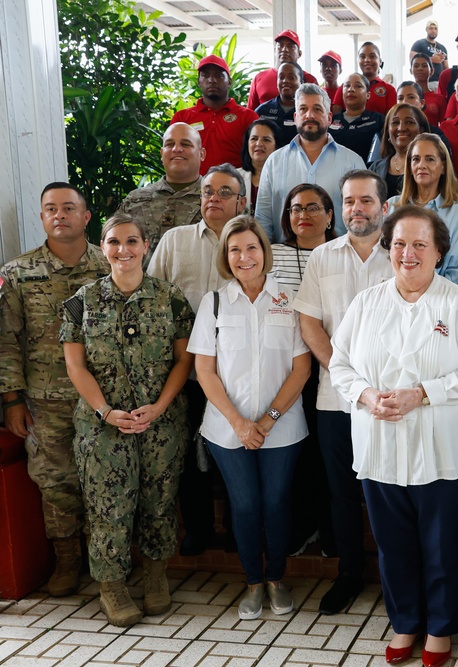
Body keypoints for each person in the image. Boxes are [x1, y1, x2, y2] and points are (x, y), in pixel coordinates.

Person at [329, 205, 458, 667]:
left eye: (420, 244)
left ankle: (439, 630)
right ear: (388, 249)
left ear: (439, 251)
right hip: (379, 445)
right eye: (400, 243)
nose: (409, 253)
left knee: (441, 545)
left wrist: (424, 394)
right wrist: (364, 395)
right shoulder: (366, 303)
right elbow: (339, 364)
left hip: (442, 449)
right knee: (393, 543)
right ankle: (405, 623)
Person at [61, 213, 194, 626]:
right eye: (114, 242)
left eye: (132, 241)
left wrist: (159, 407)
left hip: (160, 423)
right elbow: (75, 366)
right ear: (103, 248)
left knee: (159, 499)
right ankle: (112, 586)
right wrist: (105, 411)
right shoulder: (80, 302)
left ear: (146, 246)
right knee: (108, 507)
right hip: (103, 427)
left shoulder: (170, 298)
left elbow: (183, 360)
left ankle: (155, 576)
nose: (124, 250)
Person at [187, 215, 309, 620]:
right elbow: (204, 370)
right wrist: (240, 424)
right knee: (245, 506)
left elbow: (302, 368)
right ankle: (253, 582)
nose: (244, 256)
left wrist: (269, 419)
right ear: (225, 256)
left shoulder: (289, 300)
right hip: (227, 430)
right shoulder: (214, 302)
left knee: (276, 503)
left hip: (283, 427)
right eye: (235, 249)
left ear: (264, 252)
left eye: (251, 248)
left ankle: (277, 578)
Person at [292, 170, 395, 615]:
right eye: (349, 201)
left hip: (389, 399)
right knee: (341, 492)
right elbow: (309, 322)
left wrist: (374, 385)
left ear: (383, 207)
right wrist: (343, 372)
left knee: (391, 488)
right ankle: (349, 573)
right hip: (335, 397)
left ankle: (397, 578)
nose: (358, 209)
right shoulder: (322, 258)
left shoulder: (401, 256)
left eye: (366, 201)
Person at [0, 183, 108, 598]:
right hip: (46, 403)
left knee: (104, 480)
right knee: (56, 482)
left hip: (103, 399)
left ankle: (105, 562)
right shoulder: (17, 273)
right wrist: (11, 399)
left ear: (86, 216)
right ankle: (66, 563)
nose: (59, 215)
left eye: (68, 208)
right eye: (50, 209)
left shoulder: (110, 265)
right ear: (42, 218)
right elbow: (7, 340)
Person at [148, 163, 248, 556]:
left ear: (241, 201)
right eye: (208, 191)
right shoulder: (175, 241)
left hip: (238, 374)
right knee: (190, 454)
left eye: (224, 192)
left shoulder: (254, 242)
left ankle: (240, 530)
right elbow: (154, 299)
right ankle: (199, 529)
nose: (214, 199)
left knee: (236, 453)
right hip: (186, 370)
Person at [271, 184, 337, 557]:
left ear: (330, 215)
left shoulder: (341, 255)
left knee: (326, 455)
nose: (303, 215)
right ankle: (301, 527)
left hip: (330, 369)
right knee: (296, 454)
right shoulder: (272, 255)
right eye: (296, 209)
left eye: (313, 207)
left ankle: (330, 530)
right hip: (286, 370)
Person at [256, 83, 366, 241]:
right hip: (285, 259)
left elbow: (360, 217)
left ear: (329, 118)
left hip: (337, 260)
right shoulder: (274, 161)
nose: (309, 115)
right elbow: (263, 218)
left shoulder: (353, 162)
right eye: (303, 109)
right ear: (295, 118)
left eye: (317, 109)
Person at [388, 133, 458, 287]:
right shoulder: (391, 207)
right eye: (416, 159)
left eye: (430, 159)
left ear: (443, 167)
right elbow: (381, 262)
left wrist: (422, 298)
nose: (421, 165)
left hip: (441, 303)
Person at [117, 123, 205, 258]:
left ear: (202, 154)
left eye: (186, 144)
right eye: (169, 144)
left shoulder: (215, 200)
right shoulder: (135, 200)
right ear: (162, 153)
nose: (177, 149)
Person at [171, 55, 258, 174]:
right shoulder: (182, 118)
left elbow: (257, 158)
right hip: (191, 188)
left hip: (235, 187)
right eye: (206, 75)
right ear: (199, 81)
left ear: (229, 82)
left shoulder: (248, 117)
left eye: (218, 75)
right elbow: (172, 155)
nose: (212, 80)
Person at [370, 103, 431, 198]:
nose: (401, 128)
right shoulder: (374, 169)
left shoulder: (433, 166)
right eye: (395, 122)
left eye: (409, 122)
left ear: (421, 130)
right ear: (388, 133)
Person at [247, 30, 318, 110]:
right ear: (275, 50)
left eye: (290, 46)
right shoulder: (259, 78)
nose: (284, 49)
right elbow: (251, 113)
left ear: (299, 53)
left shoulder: (310, 79)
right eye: (280, 45)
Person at [329, 73, 386, 162]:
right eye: (347, 86)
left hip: (367, 173)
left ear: (368, 95)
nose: (351, 89)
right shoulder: (330, 121)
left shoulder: (379, 120)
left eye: (358, 86)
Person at [330, 42, 396, 116]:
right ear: (358, 61)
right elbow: (336, 119)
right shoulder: (345, 87)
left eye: (372, 56)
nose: (367, 60)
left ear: (380, 61)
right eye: (362, 57)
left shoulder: (389, 90)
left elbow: (390, 121)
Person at [254, 61, 303, 147]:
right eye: (281, 77)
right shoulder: (262, 111)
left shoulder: (307, 112)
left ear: (301, 82)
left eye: (291, 78)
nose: (285, 81)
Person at [238, 118, 281, 215]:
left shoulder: (286, 178)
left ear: (277, 146)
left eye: (266, 139)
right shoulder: (234, 177)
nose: (259, 144)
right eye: (254, 139)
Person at [409, 19, 449, 87]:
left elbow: (446, 67)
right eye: (431, 28)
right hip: (424, 82)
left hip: (440, 83)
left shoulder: (442, 47)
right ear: (426, 29)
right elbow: (412, 59)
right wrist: (432, 59)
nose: (433, 30)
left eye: (435, 28)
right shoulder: (419, 44)